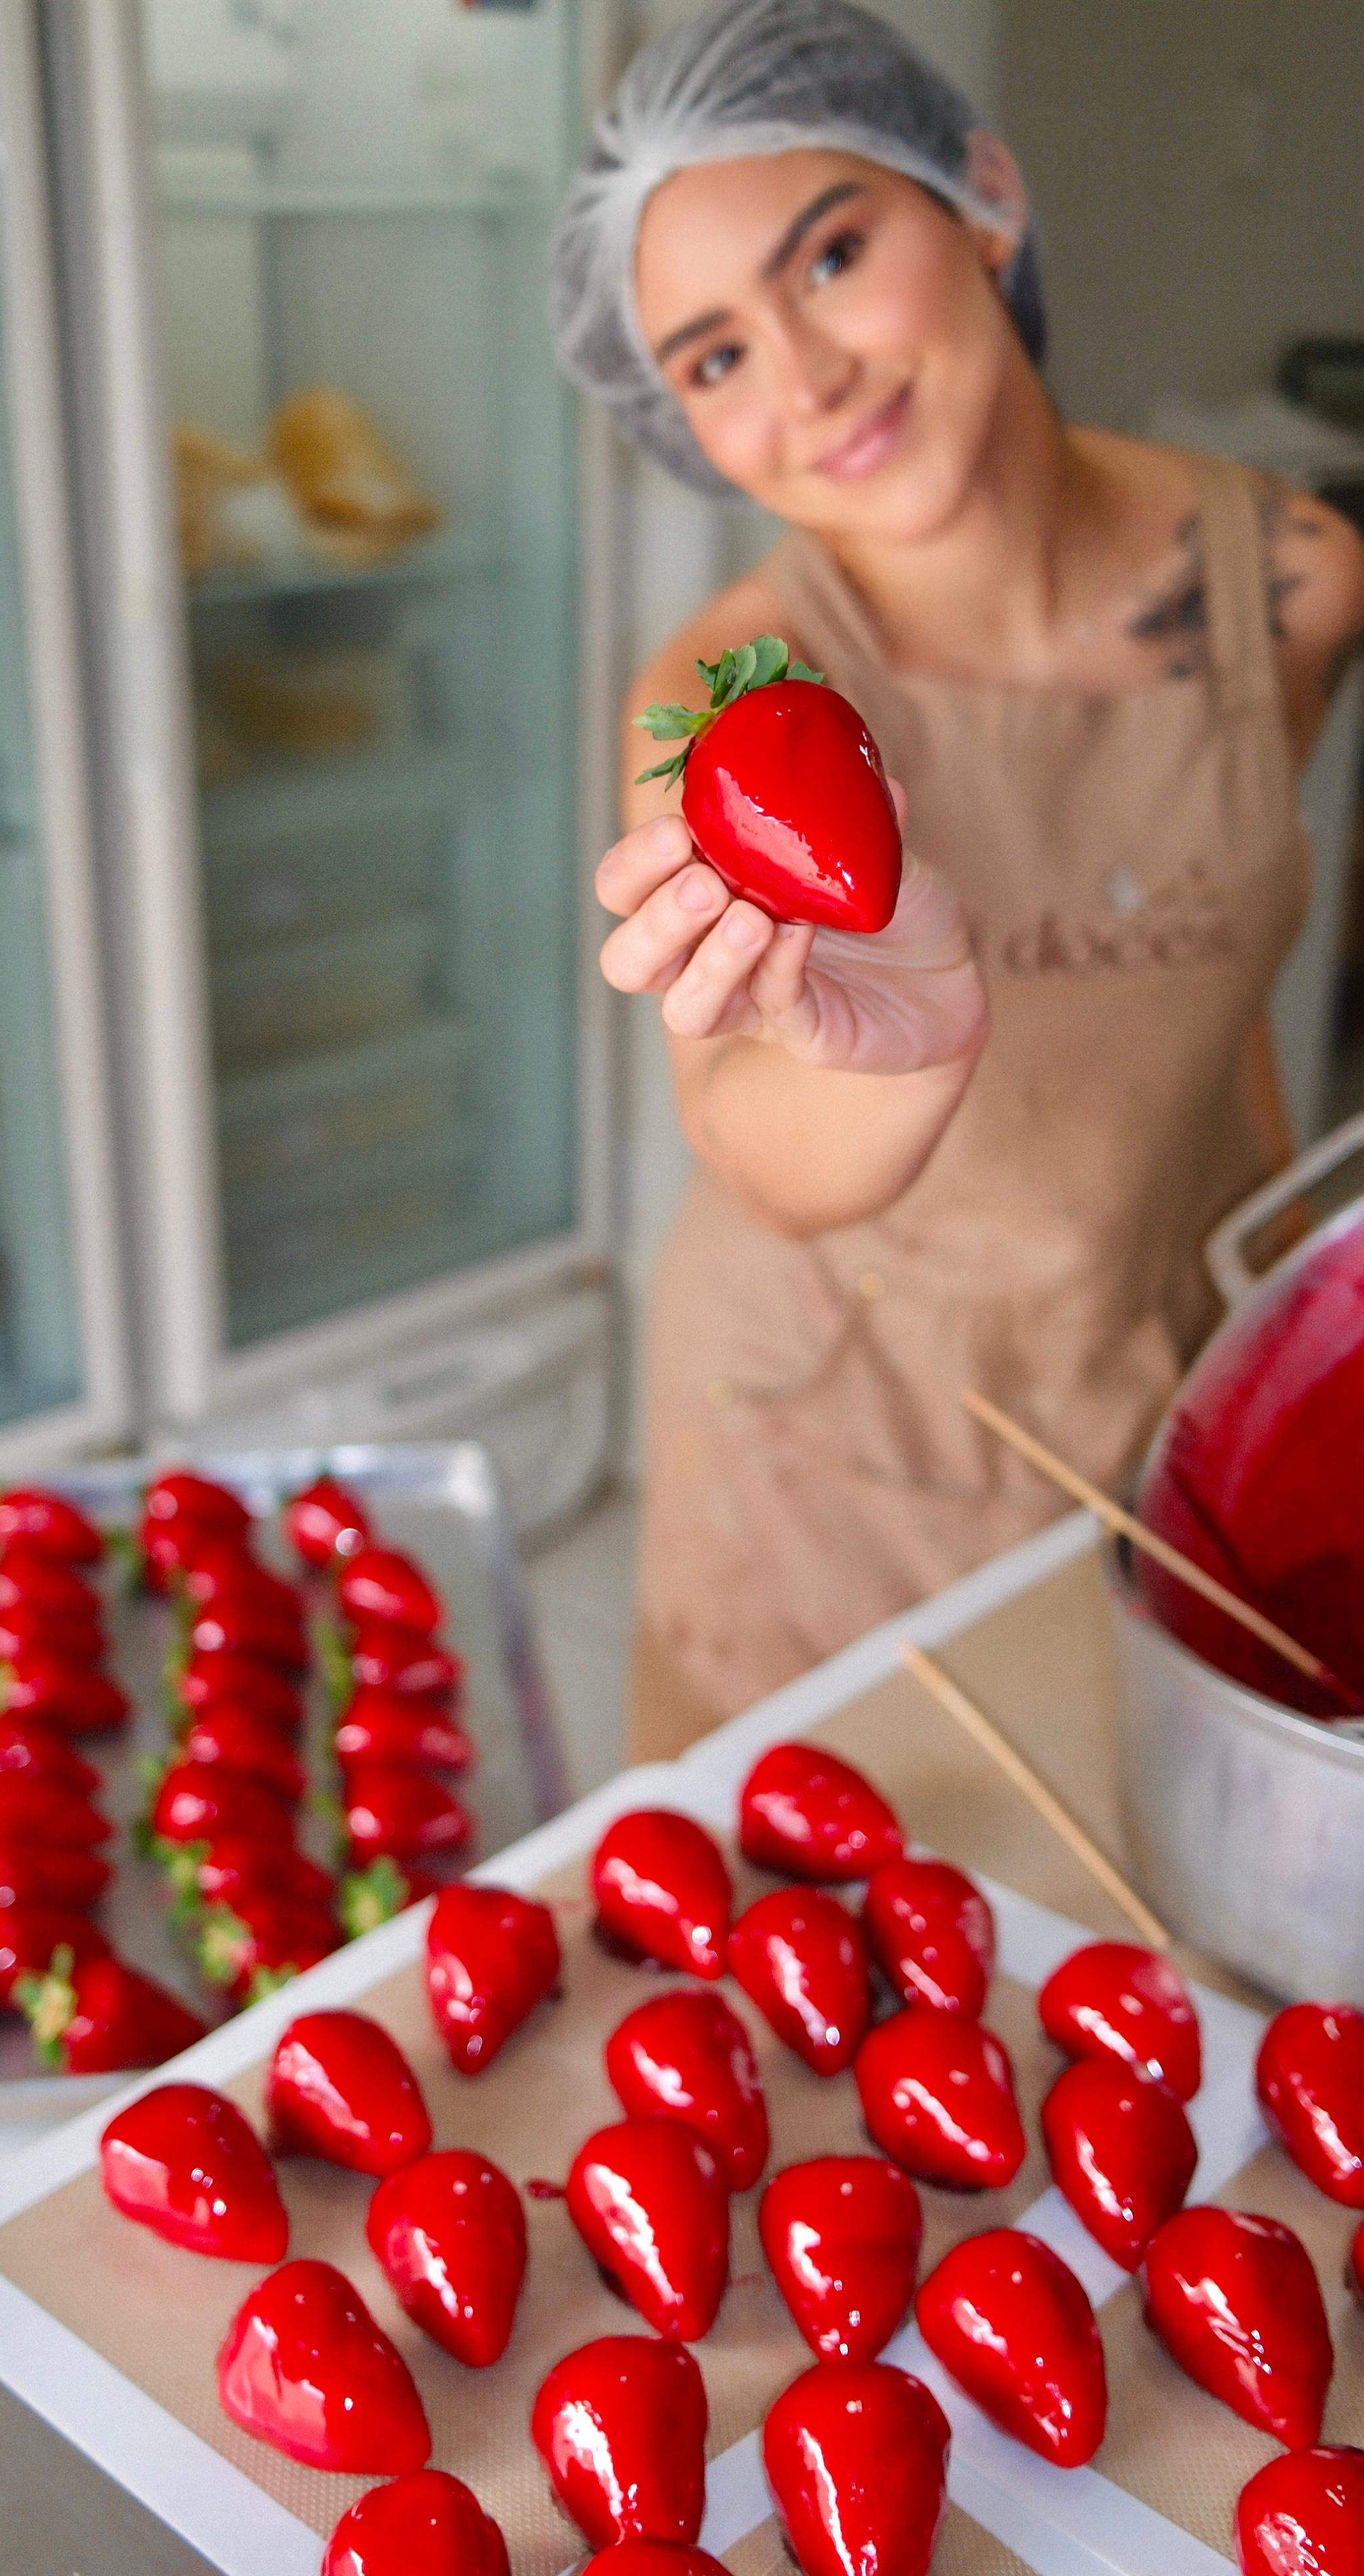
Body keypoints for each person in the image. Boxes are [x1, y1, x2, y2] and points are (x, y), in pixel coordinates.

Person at [549, 0, 1364, 1757]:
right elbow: (751, 1142)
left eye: (832, 256)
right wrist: (899, 1046)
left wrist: (1296, 1286)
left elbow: (1213, 955)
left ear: (983, 197)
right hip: (835, 1443)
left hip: (1159, 1369)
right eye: (714, 360)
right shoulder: (726, 707)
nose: (808, 377)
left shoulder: (1287, 584)